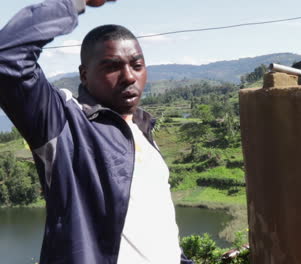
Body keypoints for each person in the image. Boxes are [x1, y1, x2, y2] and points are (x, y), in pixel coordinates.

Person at [0, 0, 193, 263]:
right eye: (112, 67)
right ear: (84, 74)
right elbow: (6, 56)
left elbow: (154, 222)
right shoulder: (64, 123)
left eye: (137, 65)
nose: (129, 76)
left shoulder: (142, 128)